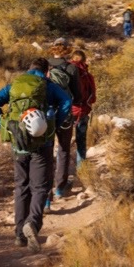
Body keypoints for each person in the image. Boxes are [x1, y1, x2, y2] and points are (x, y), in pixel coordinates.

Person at [0, 61, 72, 247]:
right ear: (46, 72)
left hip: (18, 145)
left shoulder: (15, 85)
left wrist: (5, 127)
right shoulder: (49, 86)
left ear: (29, 69)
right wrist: (53, 123)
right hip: (43, 144)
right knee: (40, 187)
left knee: (21, 186)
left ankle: (19, 235)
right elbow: (67, 101)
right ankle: (32, 222)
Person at [44, 54, 84, 200]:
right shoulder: (72, 68)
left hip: (46, 116)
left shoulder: (45, 65)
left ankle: (46, 196)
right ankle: (60, 188)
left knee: (46, 152)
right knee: (63, 149)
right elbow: (78, 95)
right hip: (65, 115)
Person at [67, 46, 97, 168]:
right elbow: (93, 97)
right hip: (82, 112)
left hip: (66, 112)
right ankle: (81, 171)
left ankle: (61, 172)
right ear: (84, 60)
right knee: (81, 142)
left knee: (63, 145)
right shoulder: (88, 76)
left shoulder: (65, 72)